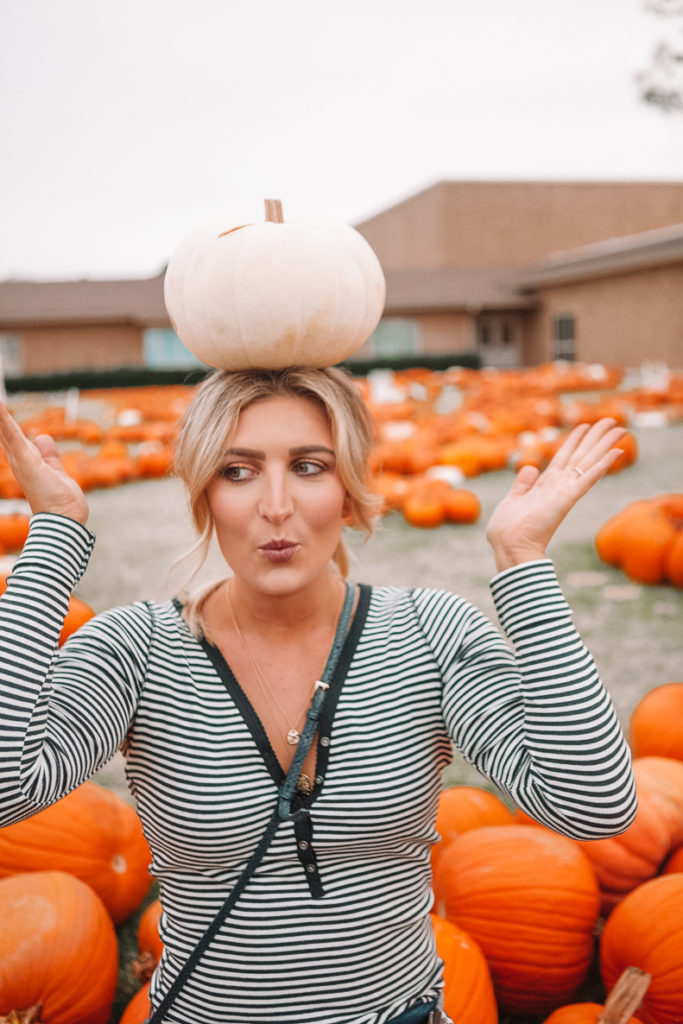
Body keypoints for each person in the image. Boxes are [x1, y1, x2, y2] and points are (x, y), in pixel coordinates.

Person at [0, 366, 637, 1024]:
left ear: (350, 490)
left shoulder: (428, 632)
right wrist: (53, 537)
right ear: (203, 495)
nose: (276, 505)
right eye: (238, 470)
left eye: (308, 466)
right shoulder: (137, 649)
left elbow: (594, 806)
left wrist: (523, 560)